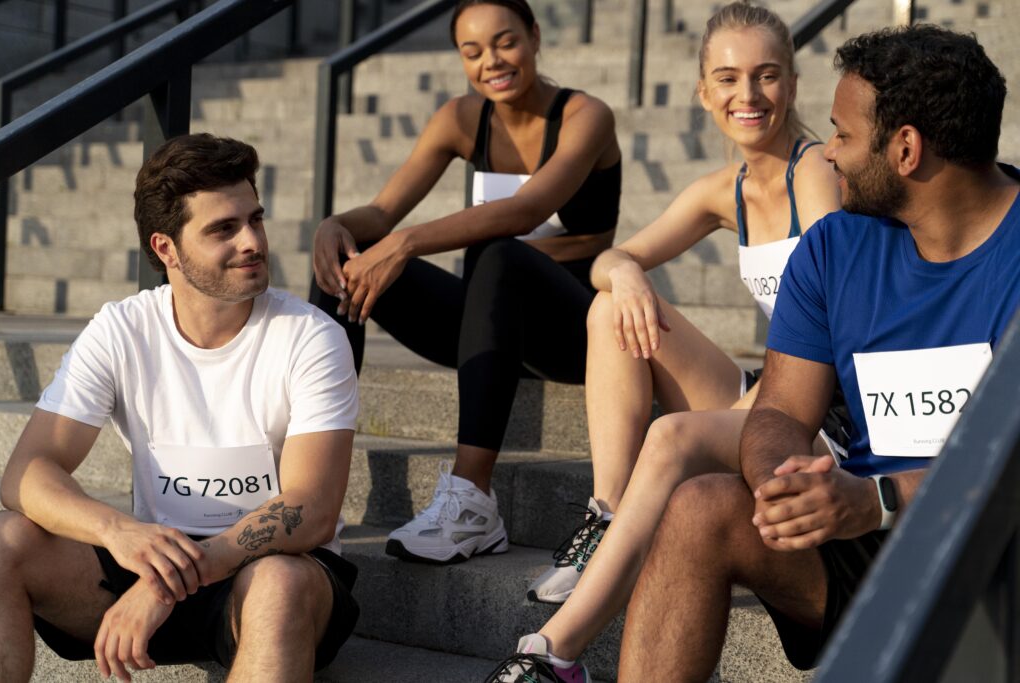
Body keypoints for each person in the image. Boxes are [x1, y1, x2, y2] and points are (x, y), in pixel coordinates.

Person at [618, 24, 1019, 681]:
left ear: (907, 149)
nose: (827, 154)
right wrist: (785, 480)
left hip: (997, 543)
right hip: (868, 534)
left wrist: (880, 498)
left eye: (843, 134)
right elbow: (777, 411)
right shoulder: (833, 247)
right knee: (699, 508)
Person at [484, 3, 842, 680]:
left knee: (673, 436)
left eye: (766, 76)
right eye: (729, 78)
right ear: (703, 91)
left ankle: (554, 652)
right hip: (766, 391)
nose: (748, 95)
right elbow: (609, 259)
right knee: (609, 309)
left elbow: (834, 330)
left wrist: (743, 420)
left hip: (820, 408)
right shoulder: (722, 190)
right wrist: (627, 275)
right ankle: (609, 516)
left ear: (793, 83)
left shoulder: (818, 172)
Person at [0, 133, 361, 682]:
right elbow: (27, 473)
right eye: (223, 228)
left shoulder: (310, 336)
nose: (252, 241)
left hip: (269, 570)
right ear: (166, 248)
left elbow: (311, 508)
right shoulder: (122, 330)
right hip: (154, 555)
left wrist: (168, 581)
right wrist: (118, 532)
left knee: (279, 586)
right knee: (3, 541)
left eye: (254, 219)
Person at [310, 0, 621, 564]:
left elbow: (526, 210)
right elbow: (382, 213)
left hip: (571, 332)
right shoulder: (460, 118)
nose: (491, 62)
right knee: (343, 269)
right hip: (488, 331)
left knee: (499, 254)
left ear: (534, 35)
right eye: (472, 51)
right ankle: (313, 487)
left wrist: (405, 243)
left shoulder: (585, 116)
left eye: (505, 42)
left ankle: (473, 501)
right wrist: (335, 228)